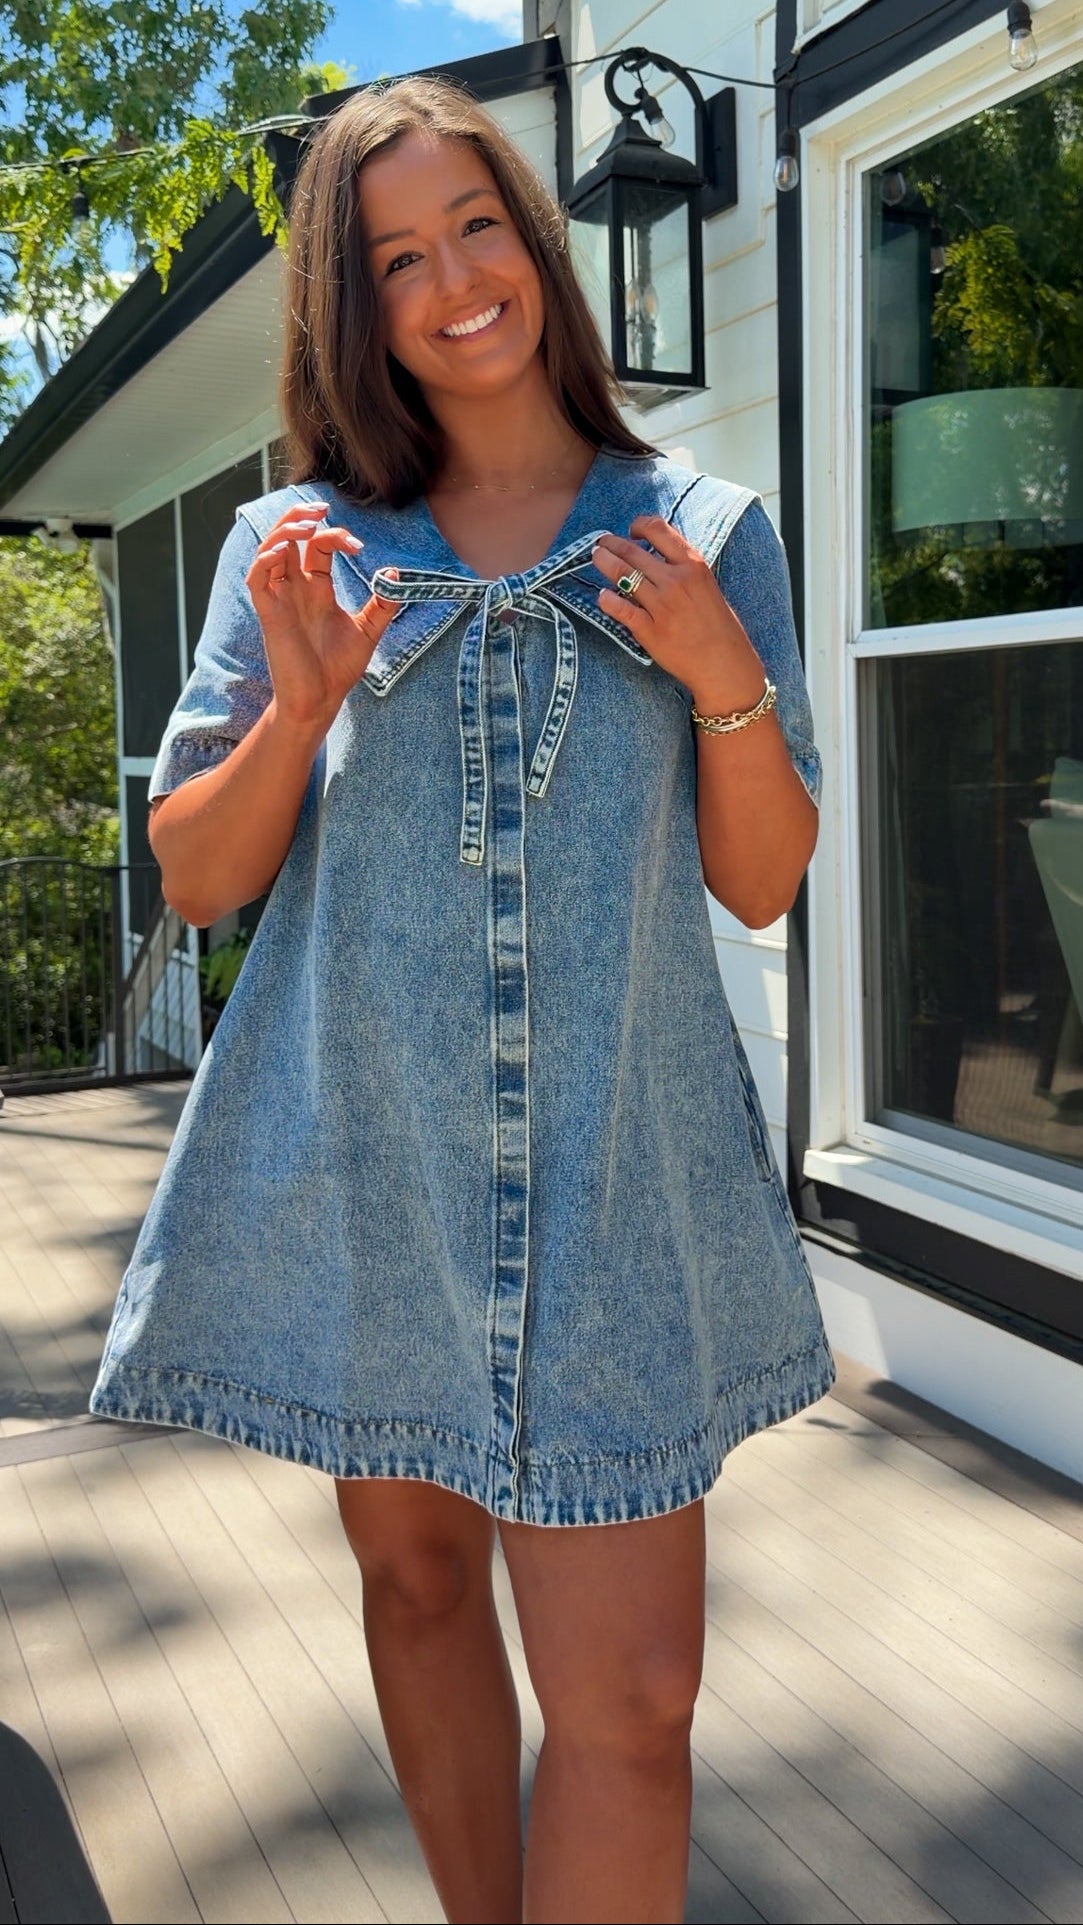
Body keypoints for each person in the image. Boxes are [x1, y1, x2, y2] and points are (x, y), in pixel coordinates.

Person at [91, 74, 834, 1925]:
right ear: (360, 308)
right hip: (376, 1162)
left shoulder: (703, 531)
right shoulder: (303, 549)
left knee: (635, 1702)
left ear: (537, 243)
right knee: (417, 1583)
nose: (452, 283)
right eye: (396, 258)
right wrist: (303, 696)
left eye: (477, 227)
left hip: (615, 1188)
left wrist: (727, 679)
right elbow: (199, 873)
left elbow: (762, 874)